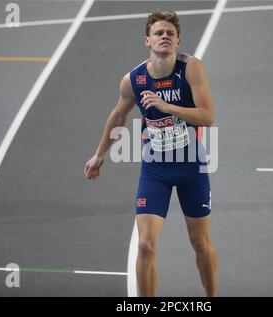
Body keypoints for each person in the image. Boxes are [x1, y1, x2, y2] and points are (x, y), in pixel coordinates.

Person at [84, 10, 218, 297]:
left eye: (170, 33)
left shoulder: (191, 68)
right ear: (148, 40)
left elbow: (207, 117)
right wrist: (99, 155)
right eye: (159, 33)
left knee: (200, 243)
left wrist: (168, 107)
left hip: (190, 166)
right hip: (155, 169)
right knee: (145, 245)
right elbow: (118, 115)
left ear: (178, 40)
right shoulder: (133, 79)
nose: (165, 36)